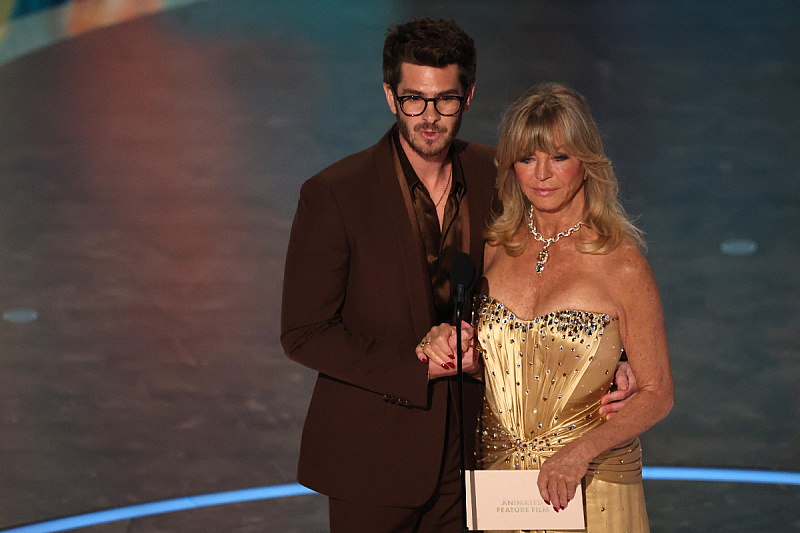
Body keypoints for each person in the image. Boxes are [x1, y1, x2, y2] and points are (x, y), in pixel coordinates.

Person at [282, 18, 638, 531]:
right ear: (390, 96)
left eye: (445, 100)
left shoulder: (499, 177)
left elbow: (566, 261)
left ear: (468, 96)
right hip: (375, 460)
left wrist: (616, 359)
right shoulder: (336, 195)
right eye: (414, 100)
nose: (429, 118)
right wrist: (416, 365)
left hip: (480, 448)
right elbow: (304, 333)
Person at [418, 83, 673, 532]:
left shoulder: (622, 263)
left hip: (587, 483)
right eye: (526, 158)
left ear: (586, 163)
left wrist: (578, 453)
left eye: (559, 156)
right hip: (500, 484)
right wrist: (449, 344)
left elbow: (656, 393)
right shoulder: (495, 247)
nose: (542, 174)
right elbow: (503, 365)